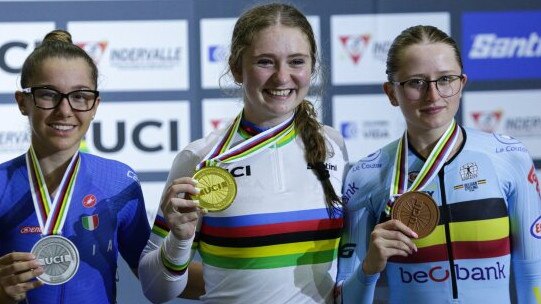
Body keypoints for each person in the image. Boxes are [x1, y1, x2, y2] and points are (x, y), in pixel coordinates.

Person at [138, 3, 348, 303]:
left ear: (312, 67)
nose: (282, 76)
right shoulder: (201, 159)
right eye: (266, 62)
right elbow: (154, 290)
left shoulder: (333, 146)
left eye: (296, 61)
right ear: (237, 68)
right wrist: (179, 239)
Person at [336, 25, 541, 303]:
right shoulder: (365, 176)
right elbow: (342, 298)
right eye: (416, 82)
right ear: (391, 92)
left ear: (462, 83)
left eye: (445, 79)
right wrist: (369, 268)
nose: (433, 96)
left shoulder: (509, 156)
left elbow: (534, 277)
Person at [0, 30, 150, 303]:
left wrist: (240, 277)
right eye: (48, 95)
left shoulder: (120, 181)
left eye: (80, 96)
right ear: (23, 102)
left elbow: (157, 278)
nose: (65, 110)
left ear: (95, 106)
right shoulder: (1, 184)